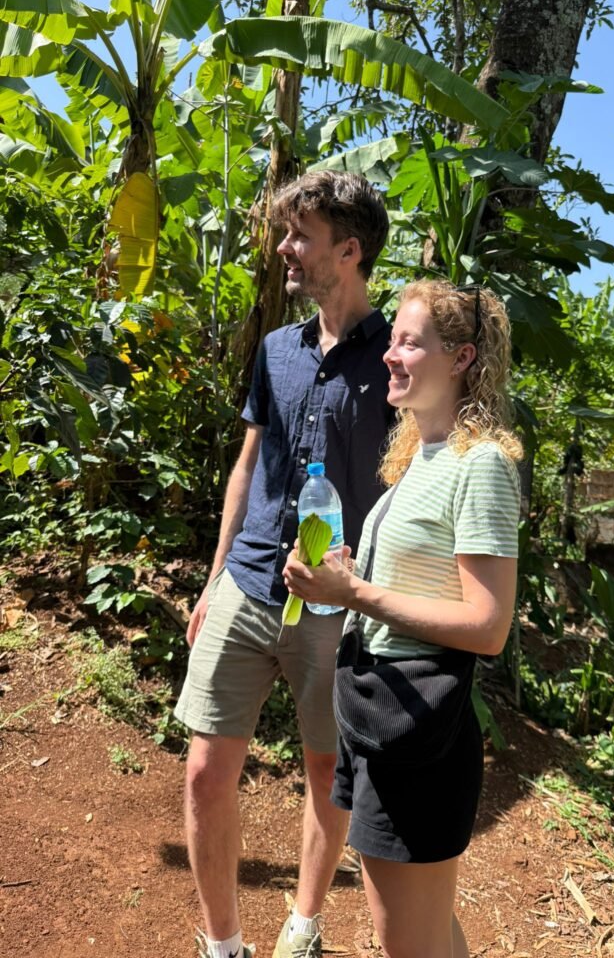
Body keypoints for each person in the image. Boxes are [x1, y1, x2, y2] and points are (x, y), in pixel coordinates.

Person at [174, 171, 394, 958]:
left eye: (300, 235)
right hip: (248, 580)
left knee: (327, 768)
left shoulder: (397, 358)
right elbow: (248, 464)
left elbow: (417, 474)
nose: (284, 249)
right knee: (204, 770)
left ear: (350, 249)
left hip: (334, 602)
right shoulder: (277, 348)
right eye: (285, 233)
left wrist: (376, 590)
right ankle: (222, 944)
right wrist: (212, 576)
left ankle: (302, 924)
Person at [283, 279, 522, 958]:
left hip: (415, 723)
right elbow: (418, 583)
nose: (390, 354)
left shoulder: (481, 468)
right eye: (392, 339)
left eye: (409, 342)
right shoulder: (419, 455)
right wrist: (350, 576)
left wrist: (357, 595)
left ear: (462, 357)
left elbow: (487, 625)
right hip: (378, 707)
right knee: (427, 926)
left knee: (405, 938)